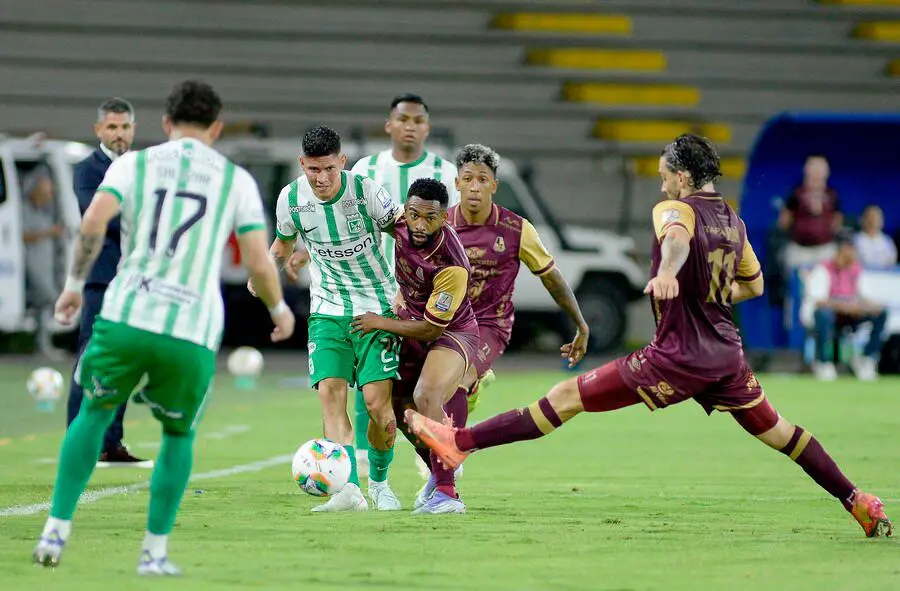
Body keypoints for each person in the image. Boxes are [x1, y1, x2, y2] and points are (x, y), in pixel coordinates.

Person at [408, 134, 892, 538]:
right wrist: (704, 293)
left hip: (674, 358)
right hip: (726, 357)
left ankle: (459, 442)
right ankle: (856, 498)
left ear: (682, 177)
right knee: (784, 434)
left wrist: (670, 275)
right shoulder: (734, 220)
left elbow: (677, 237)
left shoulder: (672, 210)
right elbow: (755, 284)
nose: (661, 184)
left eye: (665, 176)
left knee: (565, 397)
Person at [32, 80, 295, 574]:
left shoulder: (133, 163)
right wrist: (279, 310)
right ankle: (153, 553)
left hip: (127, 314)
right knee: (178, 436)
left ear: (165, 124)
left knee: (92, 412)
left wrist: (72, 284)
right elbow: (259, 260)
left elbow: (92, 222)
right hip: (191, 329)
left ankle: (55, 530)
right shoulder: (235, 179)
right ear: (216, 127)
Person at [263, 125, 403, 512]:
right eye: (313, 170)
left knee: (377, 407)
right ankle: (350, 491)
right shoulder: (290, 198)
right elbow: (283, 243)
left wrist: (409, 287)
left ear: (341, 162)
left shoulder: (366, 192)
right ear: (302, 165)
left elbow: (405, 237)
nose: (321, 179)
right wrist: (264, 273)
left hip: (377, 309)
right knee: (331, 395)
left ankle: (380, 482)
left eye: (328, 169)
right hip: (327, 309)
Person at [351, 178, 478, 514]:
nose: (420, 225)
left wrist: (379, 321)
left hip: (452, 332)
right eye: (414, 215)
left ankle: (448, 494)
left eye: (430, 218)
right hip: (411, 322)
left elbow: (430, 328)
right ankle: (439, 474)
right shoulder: (401, 224)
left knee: (425, 396)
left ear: (445, 218)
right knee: (397, 408)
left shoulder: (452, 264)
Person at [348, 93, 458, 471]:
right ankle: (368, 453)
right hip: (373, 283)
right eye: (403, 119)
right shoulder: (366, 168)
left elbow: (454, 233)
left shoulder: (445, 173)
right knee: (373, 369)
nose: (410, 127)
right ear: (389, 125)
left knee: (424, 371)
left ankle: (434, 447)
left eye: (417, 121)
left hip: (424, 292)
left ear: (427, 128)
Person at [448, 143, 589, 412]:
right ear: (457, 183)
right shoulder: (442, 225)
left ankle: (449, 449)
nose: (475, 187)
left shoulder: (516, 229)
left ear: (494, 186)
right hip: (447, 321)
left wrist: (581, 324)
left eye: (482, 180)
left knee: (457, 383)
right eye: (468, 179)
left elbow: (551, 277)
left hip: (490, 324)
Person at [67, 97, 151, 468]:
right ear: (98, 130)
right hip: (102, 280)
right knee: (89, 359)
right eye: (112, 127)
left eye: (125, 127)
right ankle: (78, 441)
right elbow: (97, 218)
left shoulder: (142, 167)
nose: (119, 134)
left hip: (136, 281)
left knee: (126, 363)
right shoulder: (88, 169)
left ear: (134, 129)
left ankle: (111, 442)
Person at [801, 233, 887, 382]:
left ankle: (866, 359)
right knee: (823, 314)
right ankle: (823, 362)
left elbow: (861, 295)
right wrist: (845, 307)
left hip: (848, 316)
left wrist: (871, 306)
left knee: (880, 314)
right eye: (846, 254)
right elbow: (820, 301)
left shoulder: (855, 270)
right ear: (839, 253)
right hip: (825, 315)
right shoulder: (823, 269)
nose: (849, 258)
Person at [21, 167, 65, 358]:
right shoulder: (23, 210)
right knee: (48, 297)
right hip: (32, 263)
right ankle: (43, 344)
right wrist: (49, 232)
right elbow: (22, 235)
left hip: (46, 265)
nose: (50, 192)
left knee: (44, 304)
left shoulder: (45, 212)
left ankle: (43, 345)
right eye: (46, 187)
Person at [777, 155, 843, 272]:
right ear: (806, 171)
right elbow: (784, 221)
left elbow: (837, 221)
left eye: (820, 169)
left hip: (825, 250)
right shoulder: (796, 193)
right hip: (800, 250)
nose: (817, 172)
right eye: (813, 168)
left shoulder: (832, 195)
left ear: (826, 173)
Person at [854, 205, 896, 270]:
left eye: (877, 218)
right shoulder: (855, 240)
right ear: (863, 219)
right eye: (870, 217)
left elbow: (891, 262)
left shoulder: (887, 241)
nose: (873, 221)